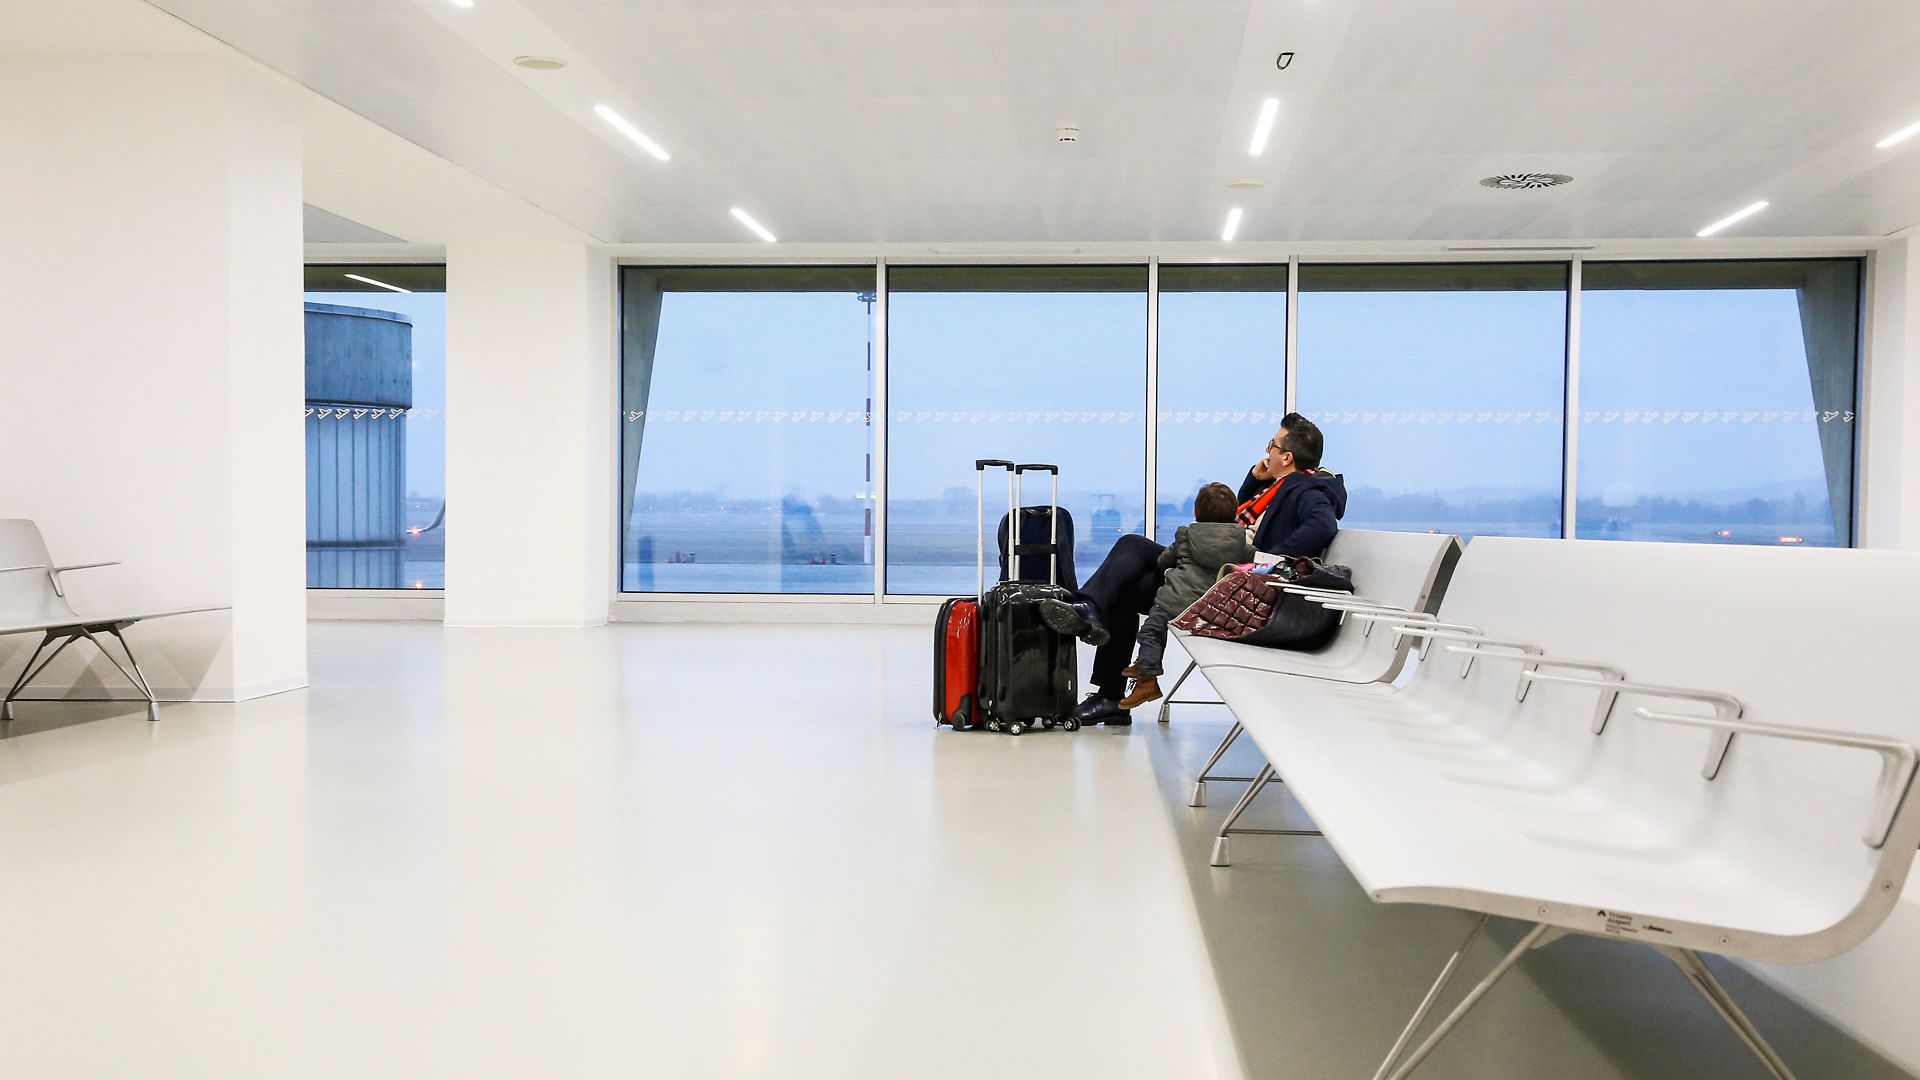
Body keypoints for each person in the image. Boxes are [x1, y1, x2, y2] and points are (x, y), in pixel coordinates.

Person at [1039, 414, 1347, 726]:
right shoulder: (1276, 487)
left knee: (1132, 547)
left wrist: (1267, 561)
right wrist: (1255, 477)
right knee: (1128, 580)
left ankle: (1094, 631)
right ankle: (1107, 684)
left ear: (1287, 457)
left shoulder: (1307, 490)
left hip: (1231, 587)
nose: (1267, 451)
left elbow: (1322, 526)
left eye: (1272, 445)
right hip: (1217, 577)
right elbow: (1231, 521)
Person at [1112, 483, 1252, 710]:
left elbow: (1163, 561)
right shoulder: (1240, 542)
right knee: (1154, 632)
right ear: (1234, 513)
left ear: (1196, 512)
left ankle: (1147, 680)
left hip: (1177, 601)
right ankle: (1145, 668)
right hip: (1215, 607)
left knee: (1151, 632)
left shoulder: (1186, 535)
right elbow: (1252, 560)